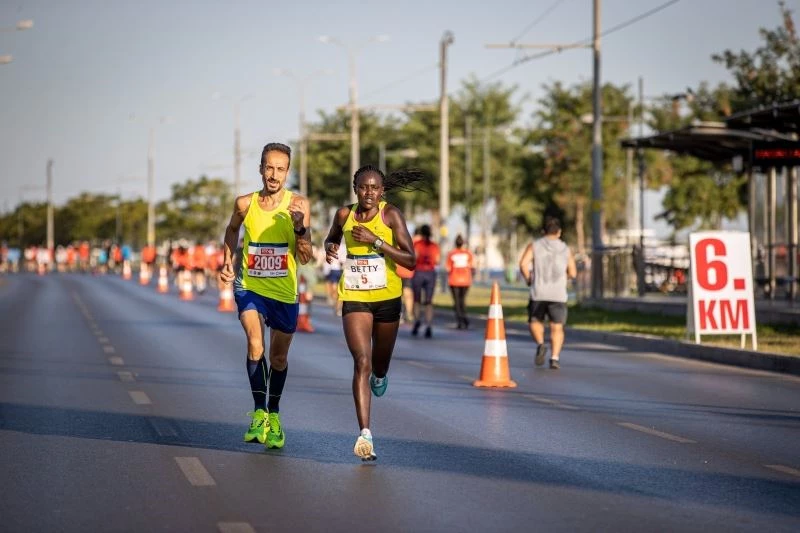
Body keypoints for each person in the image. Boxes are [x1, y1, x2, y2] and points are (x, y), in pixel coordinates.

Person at [323, 165, 424, 461]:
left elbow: (411, 259)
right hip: (354, 296)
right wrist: (330, 247)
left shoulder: (390, 214)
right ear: (355, 188)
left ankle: (382, 375)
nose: (369, 193)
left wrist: (376, 241)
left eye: (374, 188)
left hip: (388, 297)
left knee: (379, 365)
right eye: (364, 187)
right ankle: (365, 433)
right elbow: (332, 238)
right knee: (361, 361)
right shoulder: (344, 215)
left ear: (382, 192)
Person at [220, 142, 312, 450]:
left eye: (280, 169)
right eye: (269, 167)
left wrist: (300, 229)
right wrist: (226, 259)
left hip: (284, 291)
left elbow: (307, 256)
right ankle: (259, 412)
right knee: (255, 344)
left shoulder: (298, 205)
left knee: (279, 357)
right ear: (260, 169)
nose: (274, 175)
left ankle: (274, 415)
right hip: (250, 286)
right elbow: (232, 231)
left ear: (288, 172)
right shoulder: (245, 204)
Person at [518, 216, 577, 370]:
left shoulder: (534, 246)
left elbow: (523, 264)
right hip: (558, 293)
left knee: (535, 322)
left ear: (543, 231)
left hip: (539, 292)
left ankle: (540, 343)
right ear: (559, 232)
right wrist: (565, 278)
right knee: (557, 327)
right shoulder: (565, 249)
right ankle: (555, 358)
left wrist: (529, 279)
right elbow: (573, 272)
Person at [411, 224, 440, 338]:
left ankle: (417, 320)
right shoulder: (435, 246)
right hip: (430, 273)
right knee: (428, 302)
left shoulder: (417, 244)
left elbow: (414, 257)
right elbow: (437, 260)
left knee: (417, 300)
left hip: (418, 272)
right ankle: (429, 325)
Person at [446, 234, 475, 329]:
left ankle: (460, 320)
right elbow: (472, 267)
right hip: (466, 281)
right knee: (462, 300)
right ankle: (464, 318)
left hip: (454, 281)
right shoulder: (468, 253)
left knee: (457, 302)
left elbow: (448, 268)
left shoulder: (451, 254)